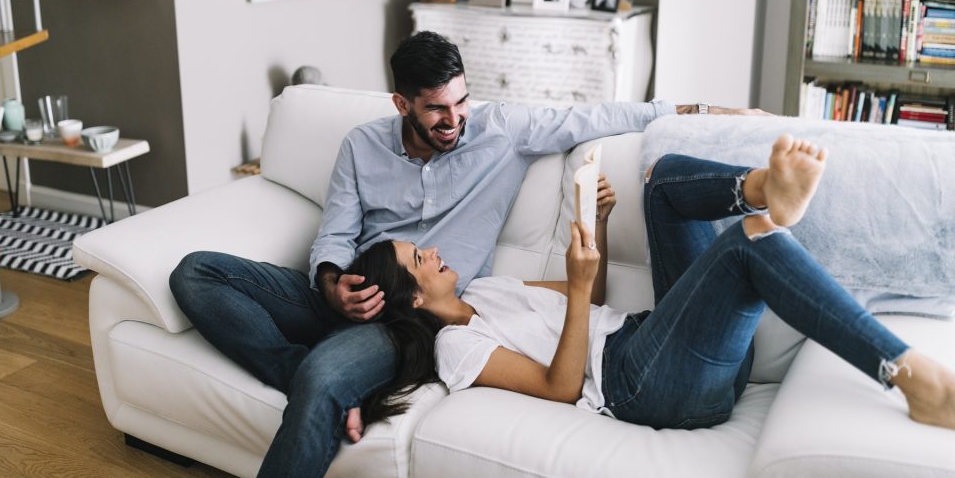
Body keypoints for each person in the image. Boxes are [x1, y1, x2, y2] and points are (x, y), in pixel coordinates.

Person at [168, 31, 764, 478]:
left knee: (325, 377)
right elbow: (336, 233)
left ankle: (315, 375)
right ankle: (288, 367)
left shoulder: (498, 131)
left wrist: (698, 113)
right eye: (436, 109)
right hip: (355, 288)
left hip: (410, 317)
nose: (454, 120)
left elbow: (597, 116)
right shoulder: (361, 146)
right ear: (402, 104)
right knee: (196, 273)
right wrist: (330, 281)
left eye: (461, 103)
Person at [348, 135, 955, 433]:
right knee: (746, 243)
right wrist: (581, 287)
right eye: (416, 259)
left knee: (661, 181)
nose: (430, 251)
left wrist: (598, 228)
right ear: (415, 297)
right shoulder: (453, 349)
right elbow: (560, 387)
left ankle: (765, 189)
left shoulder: (483, 289)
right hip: (643, 386)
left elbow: (594, 295)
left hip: (656, 342)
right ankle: (908, 376)